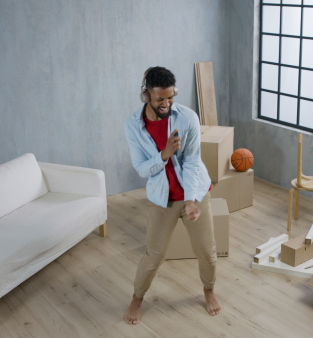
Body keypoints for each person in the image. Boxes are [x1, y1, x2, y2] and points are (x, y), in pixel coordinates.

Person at [123, 66, 221, 325]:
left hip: (195, 193)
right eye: (160, 99)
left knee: (207, 252)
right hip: (161, 199)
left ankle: (209, 291)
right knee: (153, 255)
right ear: (146, 96)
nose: (166, 104)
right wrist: (164, 154)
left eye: (170, 97)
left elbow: (191, 161)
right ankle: (137, 298)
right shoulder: (133, 126)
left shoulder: (187, 117)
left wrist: (190, 200)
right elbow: (142, 168)